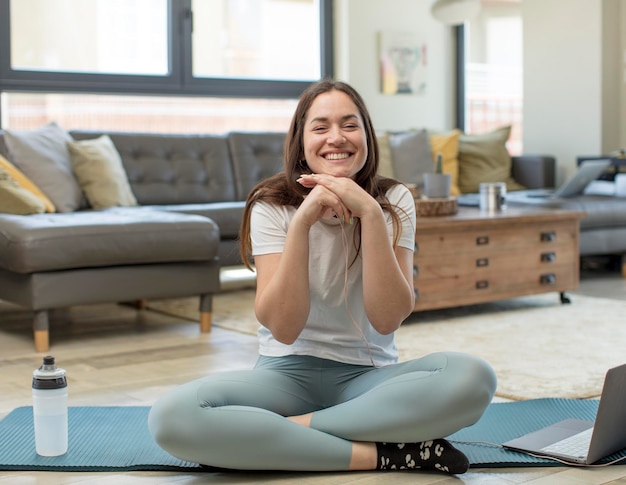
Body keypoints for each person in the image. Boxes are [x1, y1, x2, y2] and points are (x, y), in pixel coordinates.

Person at [148, 79, 497, 475]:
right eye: (320, 127)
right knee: (172, 418)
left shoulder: (394, 200)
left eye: (350, 125)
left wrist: (369, 214)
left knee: (473, 377)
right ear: (301, 141)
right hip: (285, 377)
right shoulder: (270, 204)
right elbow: (283, 328)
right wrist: (302, 223)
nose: (337, 138)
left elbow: (387, 318)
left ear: (367, 135)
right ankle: (388, 454)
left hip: (369, 381)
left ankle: (280, 436)